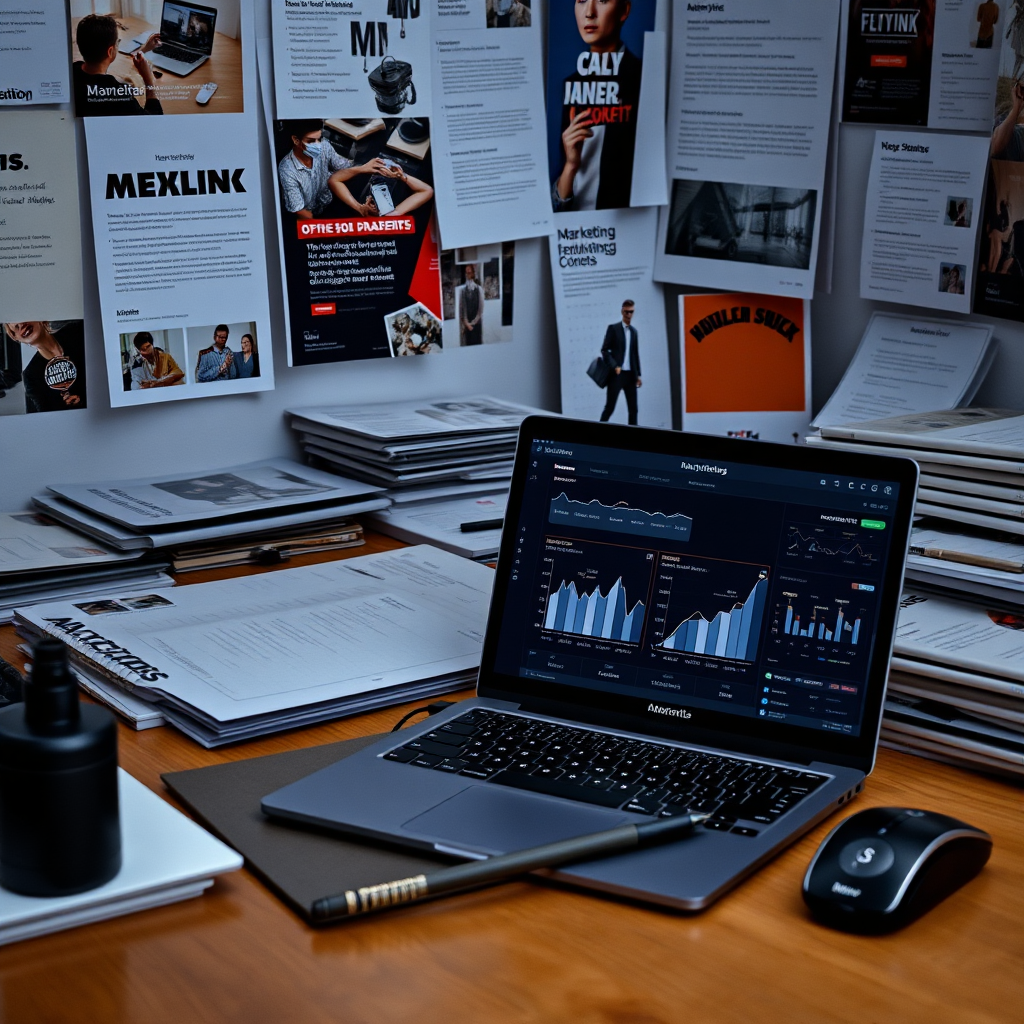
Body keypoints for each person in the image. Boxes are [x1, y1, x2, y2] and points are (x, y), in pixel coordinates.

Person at [552, 0, 642, 211]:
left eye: (602, 0)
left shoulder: (642, 80)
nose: (589, 13)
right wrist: (570, 166)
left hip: (623, 224)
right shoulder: (572, 84)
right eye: (582, 1)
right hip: (575, 226)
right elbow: (559, 202)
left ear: (624, 10)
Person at [277, 120, 400, 219]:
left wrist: (365, 167)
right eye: (311, 141)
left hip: (329, 198)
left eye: (319, 139)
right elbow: (301, 212)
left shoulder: (324, 146)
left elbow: (344, 167)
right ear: (296, 140)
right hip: (311, 216)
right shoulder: (287, 170)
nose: (317, 145)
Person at [72, 14, 163, 116]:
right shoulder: (119, 97)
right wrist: (149, 80)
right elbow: (154, 119)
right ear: (110, 51)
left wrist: (143, 50)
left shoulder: (72, 72)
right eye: (117, 42)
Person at [3, 321, 87, 412]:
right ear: (16, 338)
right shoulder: (31, 376)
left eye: (23, 320)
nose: (22, 326)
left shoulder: (77, 330)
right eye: (16, 327)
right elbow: (48, 416)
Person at [332, 162, 434, 217]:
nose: (374, 203)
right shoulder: (392, 214)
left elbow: (334, 180)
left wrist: (358, 207)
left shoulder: (390, 214)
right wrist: (402, 176)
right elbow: (426, 191)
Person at [599, 299, 641, 424]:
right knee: (610, 407)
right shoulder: (613, 328)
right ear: (622, 311)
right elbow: (605, 350)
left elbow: (635, 354)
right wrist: (614, 366)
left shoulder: (634, 332)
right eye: (626, 312)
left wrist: (638, 375)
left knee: (633, 410)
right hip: (617, 374)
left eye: (631, 312)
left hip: (630, 375)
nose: (629, 314)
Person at [459, 264, 484, 345]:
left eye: (469, 273)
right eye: (466, 273)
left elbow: (480, 309)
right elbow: (462, 308)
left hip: (476, 324)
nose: (468, 275)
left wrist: (473, 323)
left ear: (473, 273)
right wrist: (467, 324)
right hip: (467, 325)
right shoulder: (463, 291)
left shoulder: (479, 289)